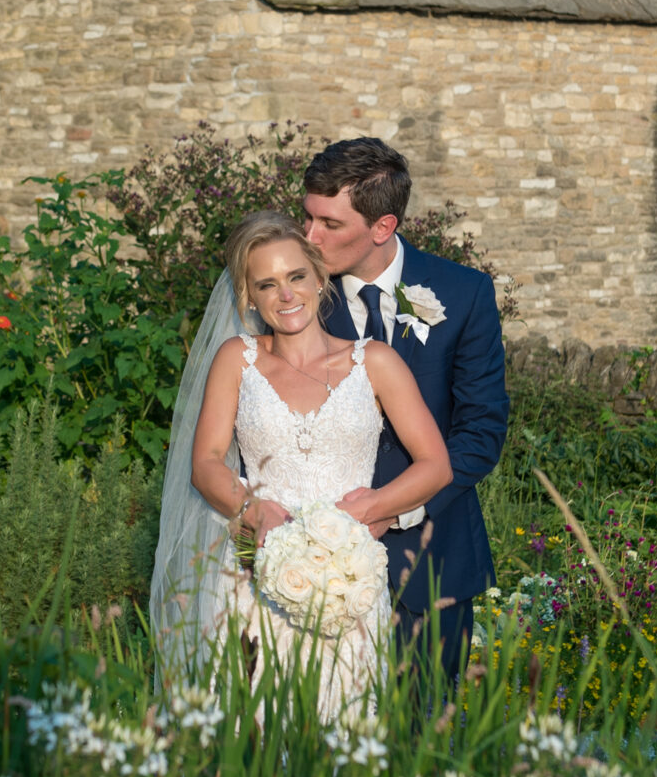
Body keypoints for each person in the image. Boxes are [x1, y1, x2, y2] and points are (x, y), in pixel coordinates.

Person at [149, 211, 450, 716]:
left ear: (318, 276)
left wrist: (371, 507)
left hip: (346, 582)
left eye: (295, 277)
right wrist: (252, 507)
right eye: (266, 285)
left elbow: (435, 465)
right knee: (253, 734)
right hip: (251, 579)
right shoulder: (236, 358)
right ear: (247, 296)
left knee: (344, 727)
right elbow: (205, 463)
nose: (285, 296)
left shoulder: (373, 361)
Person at [300, 139, 508, 686]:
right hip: (314, 562)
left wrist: (394, 507)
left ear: (382, 227)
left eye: (328, 224)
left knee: (424, 744)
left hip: (435, 561)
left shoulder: (464, 294)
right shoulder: (293, 296)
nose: (309, 238)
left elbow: (481, 430)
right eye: (307, 217)